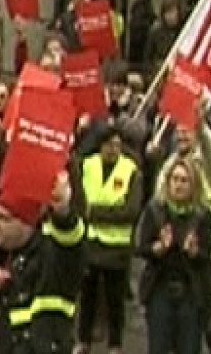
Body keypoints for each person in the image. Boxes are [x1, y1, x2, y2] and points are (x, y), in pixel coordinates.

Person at [0, 171, 85, 353]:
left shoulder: (50, 257)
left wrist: (63, 213)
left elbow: (71, 245)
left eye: (5, 219)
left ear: (27, 224)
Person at [74, 128, 143, 354]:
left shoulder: (131, 171)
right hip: (90, 244)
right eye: (109, 144)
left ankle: (115, 344)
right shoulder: (87, 165)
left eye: (117, 145)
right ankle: (83, 341)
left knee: (115, 301)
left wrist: (96, 213)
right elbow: (79, 203)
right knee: (88, 297)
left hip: (117, 249)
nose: (113, 149)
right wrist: (97, 212)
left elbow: (130, 211)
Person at [137, 159, 211, 354]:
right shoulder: (155, 210)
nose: (178, 185)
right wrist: (158, 248)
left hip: (190, 292)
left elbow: (207, 256)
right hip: (160, 289)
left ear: (193, 185)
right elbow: (141, 248)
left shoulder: (203, 215)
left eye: (184, 181)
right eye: (175, 179)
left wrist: (195, 252)